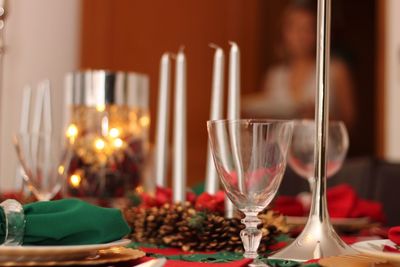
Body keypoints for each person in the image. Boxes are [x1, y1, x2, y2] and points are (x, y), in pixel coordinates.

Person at [242, 0, 355, 129]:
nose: (300, 36)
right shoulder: (274, 76)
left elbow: (350, 124)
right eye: (294, 28)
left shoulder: (335, 70)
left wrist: (321, 118)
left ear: (319, 32)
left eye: (307, 28)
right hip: (284, 148)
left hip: (324, 147)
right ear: (283, 32)